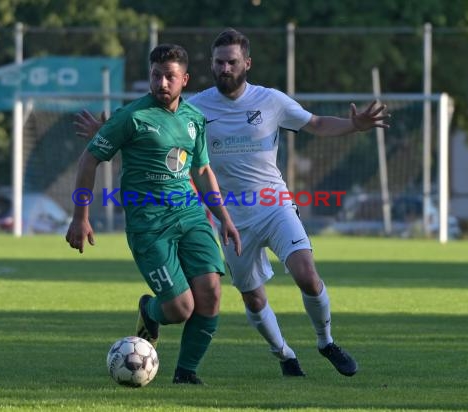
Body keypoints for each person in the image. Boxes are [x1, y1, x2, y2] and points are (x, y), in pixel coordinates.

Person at [74, 29, 390, 378]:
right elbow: (153, 134)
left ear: (247, 64)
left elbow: (314, 123)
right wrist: (110, 134)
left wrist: (353, 125)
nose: (225, 68)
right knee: (247, 299)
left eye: (232, 62)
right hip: (223, 217)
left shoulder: (269, 100)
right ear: (210, 65)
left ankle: (324, 342)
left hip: (272, 204)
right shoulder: (195, 106)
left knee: (304, 275)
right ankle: (284, 355)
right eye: (219, 62)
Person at [66, 43, 241, 385]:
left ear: (184, 80)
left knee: (211, 293)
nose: (162, 83)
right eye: (156, 75)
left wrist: (225, 217)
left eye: (170, 77)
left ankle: (186, 373)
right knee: (180, 309)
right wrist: (80, 216)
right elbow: (89, 159)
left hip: (190, 216)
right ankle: (150, 311)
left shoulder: (194, 119)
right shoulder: (131, 117)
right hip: (149, 225)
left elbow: (203, 172)